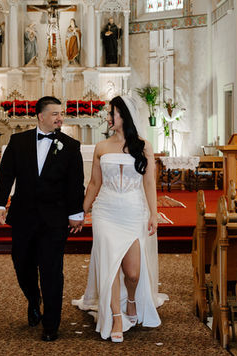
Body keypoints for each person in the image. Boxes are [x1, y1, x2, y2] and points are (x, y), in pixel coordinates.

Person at [72, 96, 168, 342]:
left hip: (133, 211)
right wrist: (81, 212)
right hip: (106, 211)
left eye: (112, 113)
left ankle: (133, 299)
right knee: (111, 266)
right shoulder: (102, 147)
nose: (108, 118)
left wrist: (154, 214)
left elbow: (149, 183)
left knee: (133, 273)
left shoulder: (144, 146)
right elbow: (94, 183)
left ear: (124, 116)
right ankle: (115, 315)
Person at [0, 96, 85, 342]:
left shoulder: (71, 145)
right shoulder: (18, 141)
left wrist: (76, 213)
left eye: (61, 113)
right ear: (40, 116)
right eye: (54, 113)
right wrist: (0, 203)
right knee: (21, 264)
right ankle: (34, 299)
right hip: (24, 216)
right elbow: (6, 175)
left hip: (54, 219)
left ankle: (51, 323)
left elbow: (76, 184)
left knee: (51, 270)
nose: (60, 118)